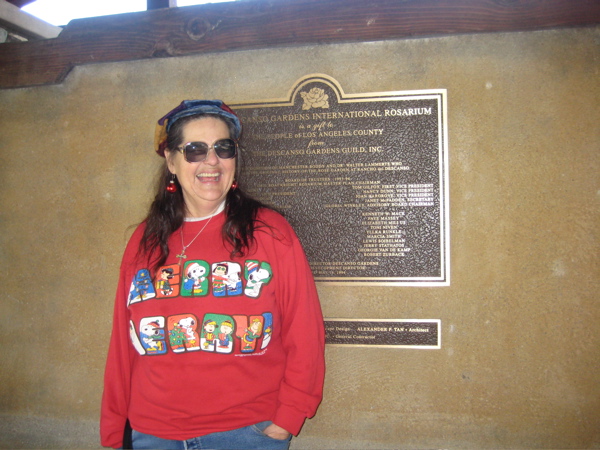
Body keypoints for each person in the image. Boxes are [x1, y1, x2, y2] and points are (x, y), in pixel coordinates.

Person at [100, 100, 325, 450]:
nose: (212, 161)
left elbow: (305, 330)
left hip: (245, 433)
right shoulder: (144, 241)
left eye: (224, 148)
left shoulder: (270, 232)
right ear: (171, 161)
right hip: (152, 432)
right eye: (195, 150)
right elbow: (122, 343)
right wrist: (114, 429)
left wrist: (286, 420)